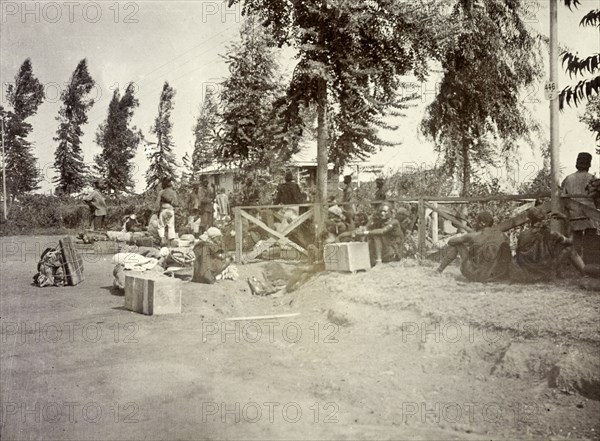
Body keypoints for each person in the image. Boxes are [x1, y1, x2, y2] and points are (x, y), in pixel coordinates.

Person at [510, 207, 585, 283]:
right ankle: (586, 273)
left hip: (526, 272)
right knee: (570, 249)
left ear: (530, 220)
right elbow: (570, 241)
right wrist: (566, 220)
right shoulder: (551, 233)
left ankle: (555, 273)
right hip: (545, 271)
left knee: (551, 248)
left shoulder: (522, 234)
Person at [436, 211, 512, 282]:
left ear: (482, 223)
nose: (475, 224)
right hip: (499, 275)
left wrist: (465, 238)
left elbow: (451, 241)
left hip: (478, 276)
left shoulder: (475, 235)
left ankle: (439, 270)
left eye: (477, 221)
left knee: (458, 244)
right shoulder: (503, 235)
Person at [561, 152, 599, 263]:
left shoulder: (568, 179)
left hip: (574, 214)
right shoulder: (593, 179)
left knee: (576, 240)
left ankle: (577, 265)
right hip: (590, 216)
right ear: (589, 164)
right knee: (590, 241)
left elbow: (563, 197)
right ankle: (588, 265)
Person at [156, 177, 179, 246]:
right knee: (171, 226)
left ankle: (162, 240)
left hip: (163, 210)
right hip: (171, 210)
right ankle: (172, 241)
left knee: (161, 225)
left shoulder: (161, 192)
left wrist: (157, 211)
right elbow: (176, 204)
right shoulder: (173, 192)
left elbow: (157, 203)